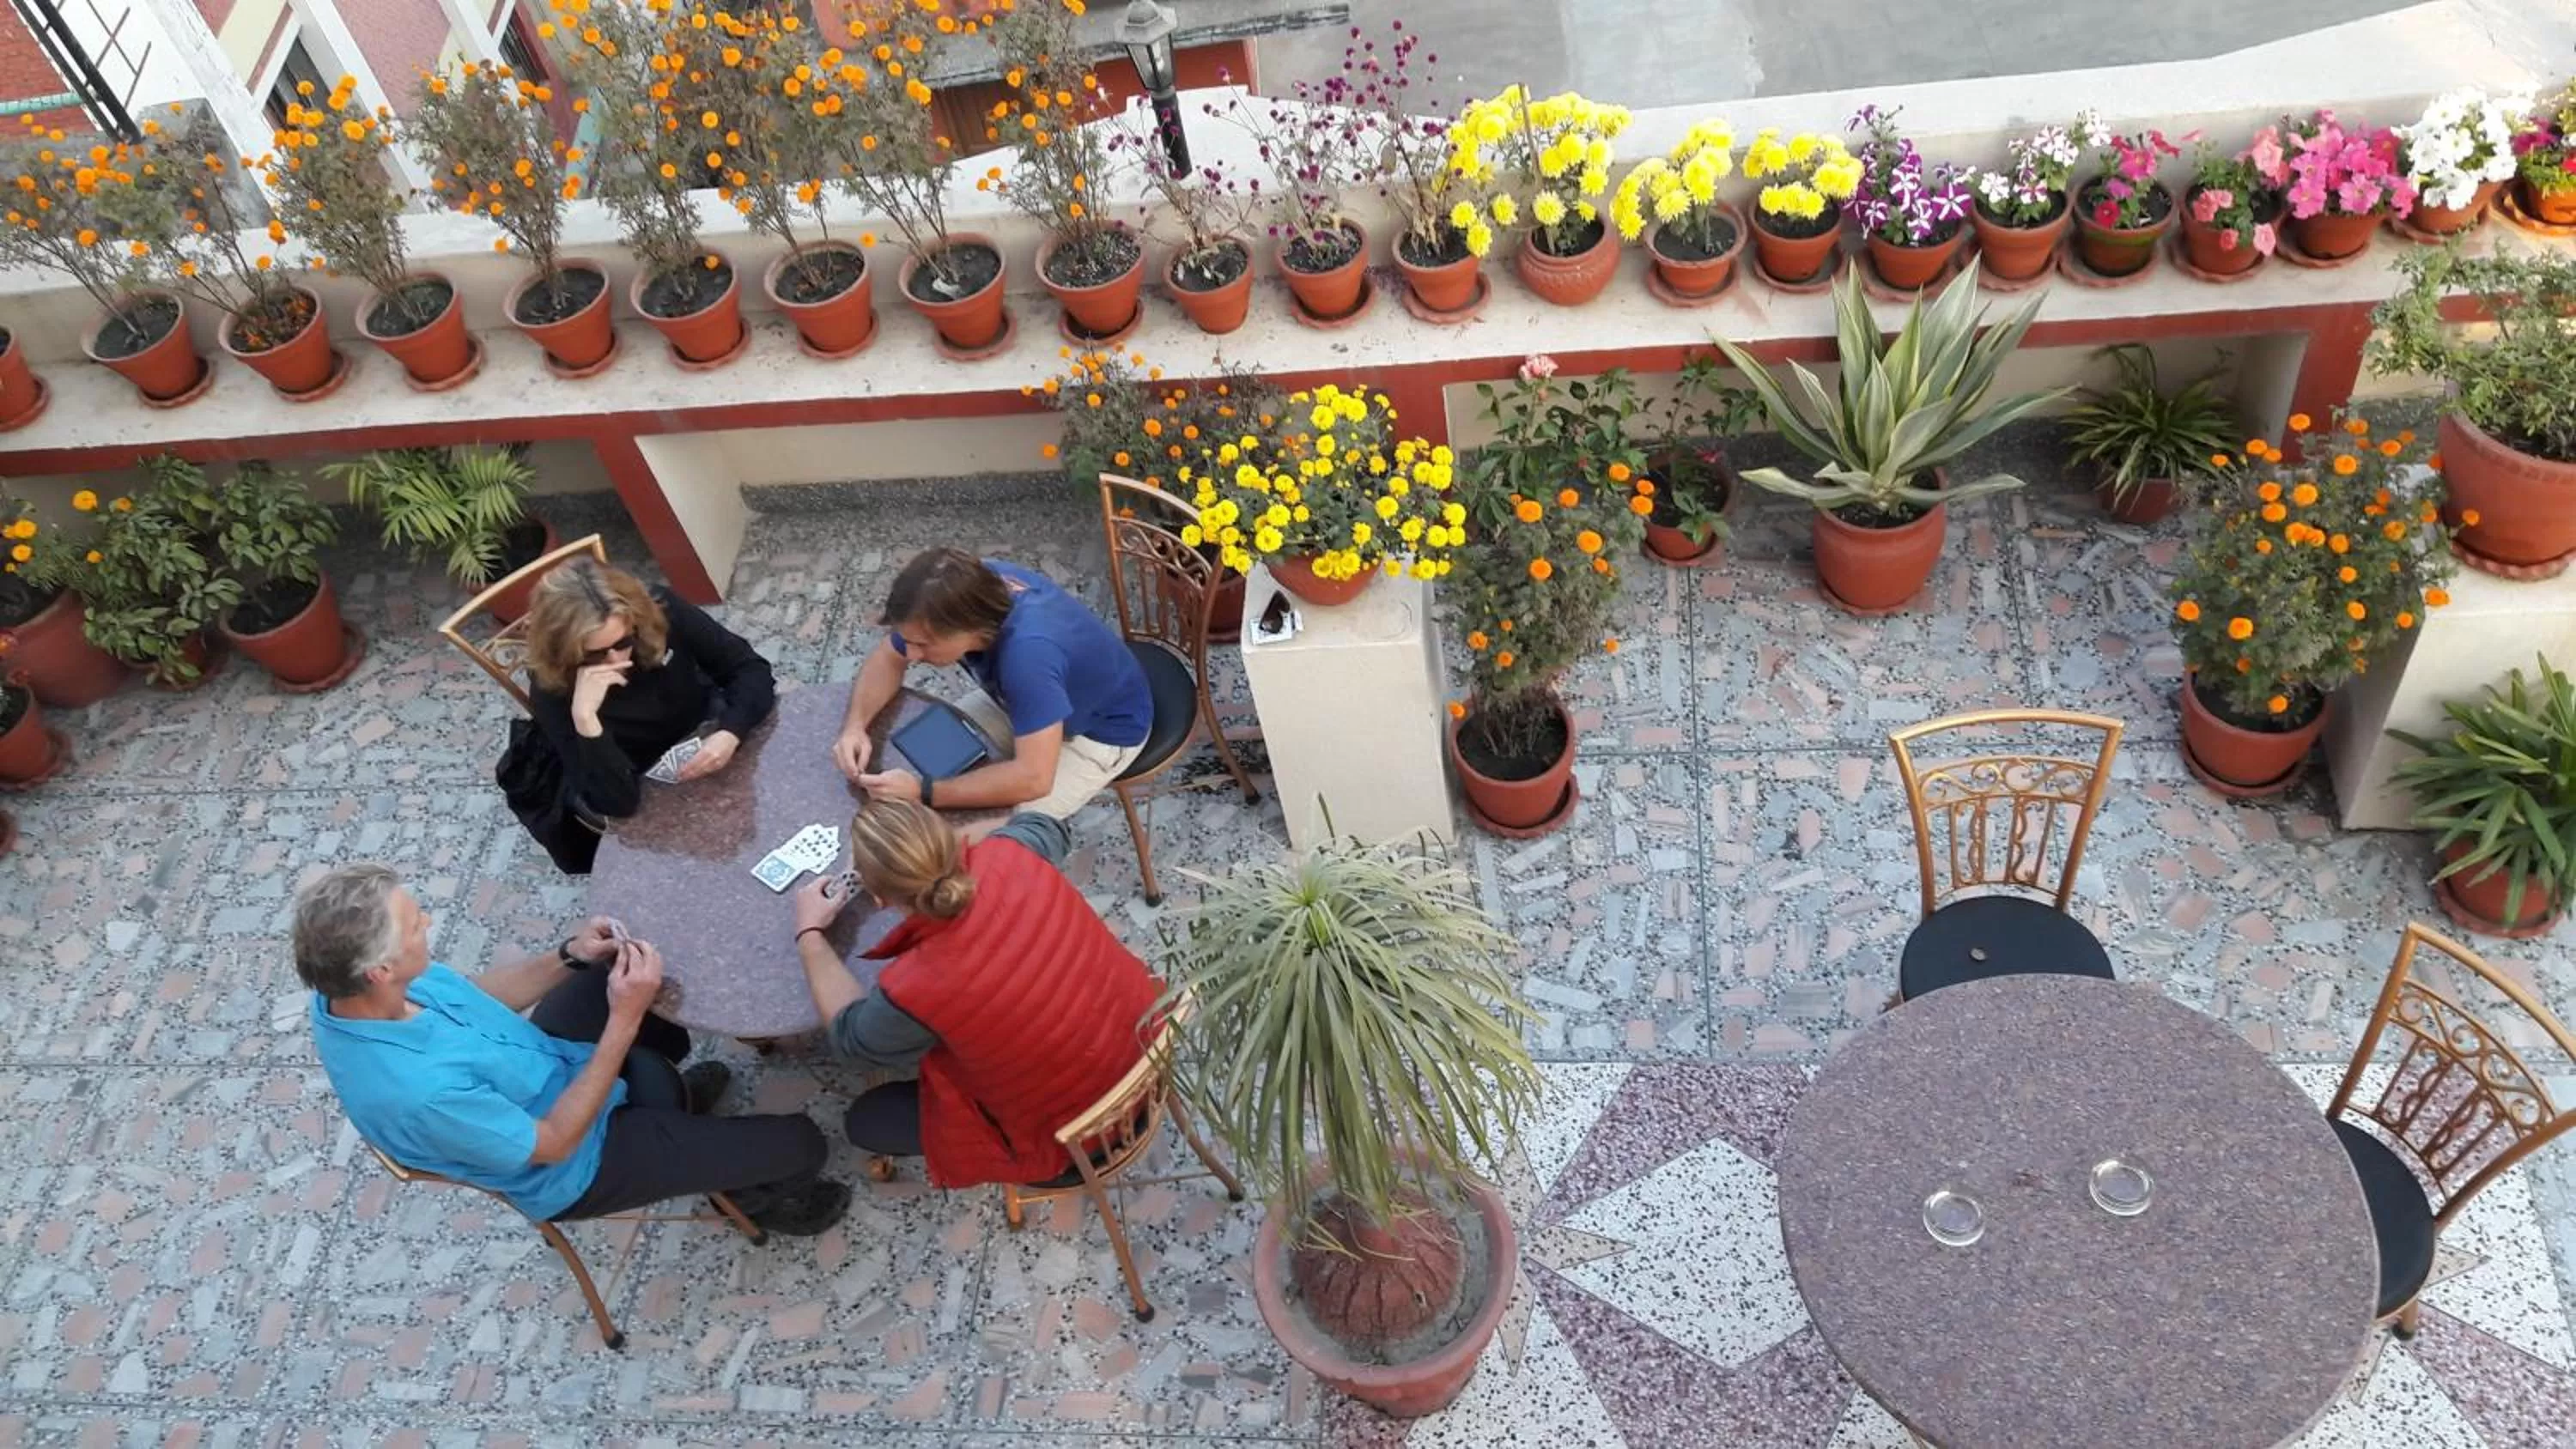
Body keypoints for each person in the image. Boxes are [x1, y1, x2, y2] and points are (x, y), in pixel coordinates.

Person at [297, 863, 849, 1234]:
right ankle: (757, 1197)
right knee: (801, 1143)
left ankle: (670, 1104)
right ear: (381, 969)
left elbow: (475, 999)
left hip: (545, 1065)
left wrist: (570, 955)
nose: (428, 922)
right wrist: (623, 1021)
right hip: (577, 1159)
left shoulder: (351, 991)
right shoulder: (421, 1094)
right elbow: (554, 1142)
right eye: (415, 926)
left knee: (622, 961)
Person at [790, 799, 1161, 1187]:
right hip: (1144, 1053)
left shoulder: (916, 987)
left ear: (879, 899)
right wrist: (937, 850)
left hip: (1073, 1141)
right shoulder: (1011, 853)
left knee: (867, 1120)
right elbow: (1047, 825)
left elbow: (853, 1042)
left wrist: (809, 935)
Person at [830, 548, 1151, 828]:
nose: (912, 655)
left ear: (968, 628)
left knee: (982, 835)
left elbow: (1035, 778)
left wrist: (924, 791)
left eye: (923, 645)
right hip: (1021, 703)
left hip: (1094, 735)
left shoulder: (1029, 658)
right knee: (921, 755)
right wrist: (854, 728)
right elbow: (889, 656)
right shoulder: (967, 589)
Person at [525, 557, 776, 827]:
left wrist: (731, 730)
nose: (614, 661)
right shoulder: (551, 689)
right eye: (594, 654)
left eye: (623, 642)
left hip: (710, 728)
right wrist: (586, 720)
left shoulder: (662, 610)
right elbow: (616, 803)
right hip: (642, 777)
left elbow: (749, 667)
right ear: (567, 651)